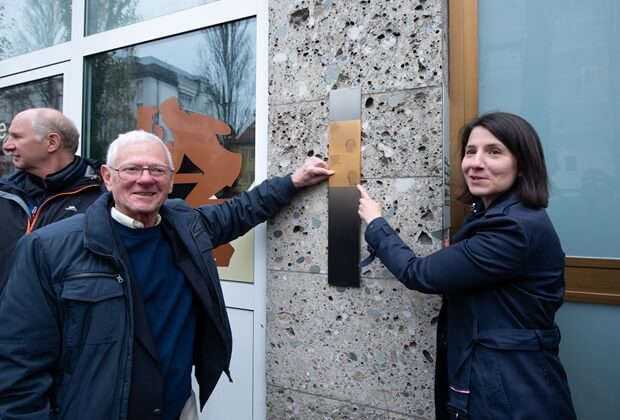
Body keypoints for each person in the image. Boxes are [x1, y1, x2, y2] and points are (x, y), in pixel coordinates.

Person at [0, 130, 333, 419]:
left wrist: (293, 181)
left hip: (177, 408)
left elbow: (240, 211)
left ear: (171, 180)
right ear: (107, 176)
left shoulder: (186, 227)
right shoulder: (49, 248)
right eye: (131, 169)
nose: (145, 179)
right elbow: (20, 362)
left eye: (157, 170)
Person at [357, 112, 576, 419]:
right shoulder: (498, 217)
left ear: (523, 165)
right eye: (470, 152)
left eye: (494, 152)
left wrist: (376, 222)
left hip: (510, 394)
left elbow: (418, 273)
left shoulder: (513, 228)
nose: (476, 162)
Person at [0, 108, 103, 286]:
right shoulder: (4, 194)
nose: (7, 146)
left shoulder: (103, 198)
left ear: (52, 142)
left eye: (17, 137)